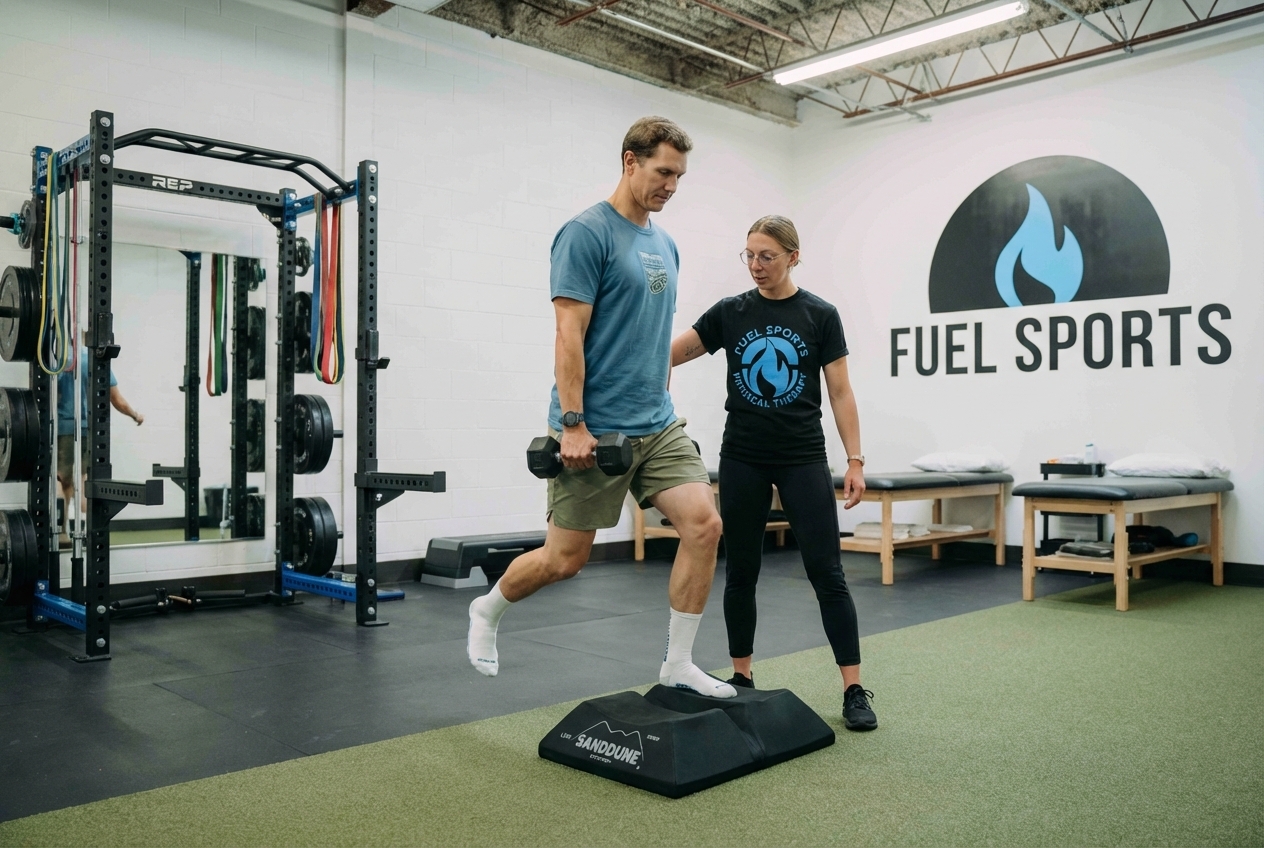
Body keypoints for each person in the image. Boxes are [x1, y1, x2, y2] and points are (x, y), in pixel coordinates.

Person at [466, 117, 734, 699]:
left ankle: (679, 664)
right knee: (564, 561)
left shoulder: (666, 243)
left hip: (657, 423)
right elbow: (569, 334)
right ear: (630, 162)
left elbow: (650, 331)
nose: (672, 185)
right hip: (593, 427)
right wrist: (573, 424)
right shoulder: (585, 234)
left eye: (680, 176)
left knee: (705, 525)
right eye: (664, 171)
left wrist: (658, 388)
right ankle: (487, 610)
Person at [670, 215, 878, 729]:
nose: (756, 266)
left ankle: (853, 689)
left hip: (802, 456)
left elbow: (841, 392)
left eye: (766, 255)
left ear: (793, 257)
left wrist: (854, 459)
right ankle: (742, 677)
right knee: (741, 571)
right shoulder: (730, 312)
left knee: (827, 572)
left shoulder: (820, 314)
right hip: (742, 455)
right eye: (749, 255)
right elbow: (668, 354)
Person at [57, 336, 144, 541]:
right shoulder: (95, 360)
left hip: (63, 428)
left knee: (63, 481)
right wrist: (135, 415)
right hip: (90, 428)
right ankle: (92, 532)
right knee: (87, 479)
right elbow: (117, 400)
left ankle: (61, 534)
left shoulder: (57, 361)